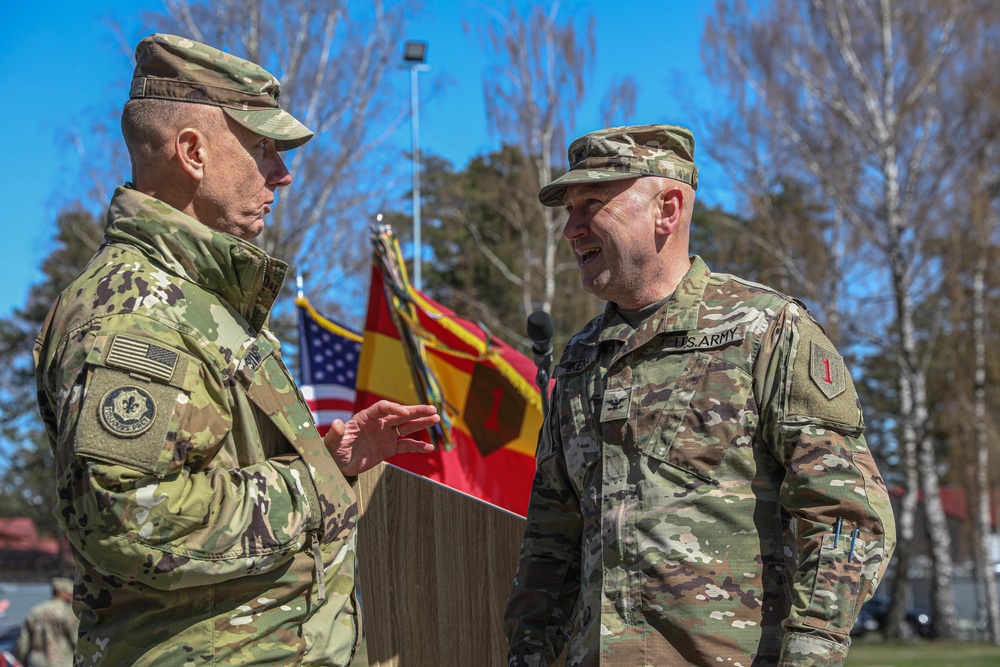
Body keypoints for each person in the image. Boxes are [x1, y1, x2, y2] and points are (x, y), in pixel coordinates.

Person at [33, 34, 439, 666]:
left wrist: (328, 461)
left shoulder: (199, 300)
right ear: (192, 152)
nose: (282, 172)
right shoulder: (134, 310)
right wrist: (313, 485)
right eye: (262, 147)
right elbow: (127, 517)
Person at [503, 125, 896, 666]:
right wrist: (527, 654)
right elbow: (553, 534)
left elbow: (845, 513)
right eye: (569, 210)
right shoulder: (579, 359)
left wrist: (811, 652)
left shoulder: (766, 331)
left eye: (591, 203)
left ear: (667, 209)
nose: (571, 229)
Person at [15, 577, 78, 667]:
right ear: (60, 592)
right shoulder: (67, 612)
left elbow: (23, 643)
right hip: (63, 662)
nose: (72, 596)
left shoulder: (35, 611)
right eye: (69, 593)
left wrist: (23, 661)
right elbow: (77, 641)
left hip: (38, 663)